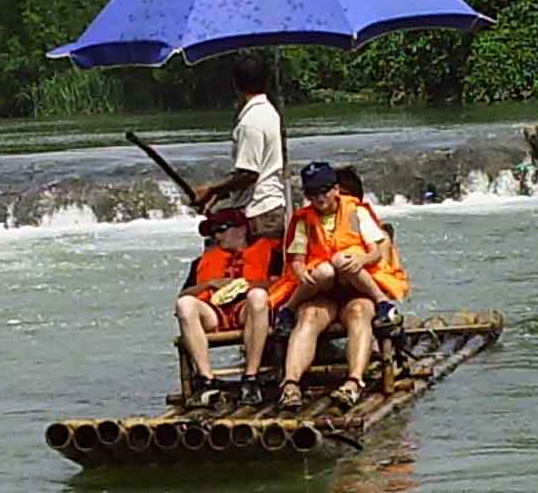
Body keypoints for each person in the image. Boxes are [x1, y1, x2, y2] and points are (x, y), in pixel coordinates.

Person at [271, 161, 410, 411]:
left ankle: (354, 382)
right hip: (321, 289)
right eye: (312, 193)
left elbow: (377, 250)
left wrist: (363, 259)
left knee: (358, 311)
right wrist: (301, 272)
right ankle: (291, 384)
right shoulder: (304, 220)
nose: (319, 198)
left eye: (323, 191)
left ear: (336, 190)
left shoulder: (357, 212)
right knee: (310, 315)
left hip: (357, 286)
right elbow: (297, 258)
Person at [174, 209, 283, 406]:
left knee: (258, 297)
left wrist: (246, 284)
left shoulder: (270, 251)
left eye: (221, 229)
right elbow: (183, 294)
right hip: (214, 313)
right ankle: (207, 380)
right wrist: (209, 285)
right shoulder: (203, 260)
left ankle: (251, 378)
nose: (217, 236)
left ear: (241, 230)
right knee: (185, 305)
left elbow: (281, 283)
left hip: (246, 309)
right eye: (214, 232)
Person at [191, 56, 287, 242]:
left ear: (235, 85)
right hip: (272, 207)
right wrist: (219, 194)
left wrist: (211, 190)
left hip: (258, 212)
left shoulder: (250, 123)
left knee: (253, 266)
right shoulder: (270, 112)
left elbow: (249, 174)